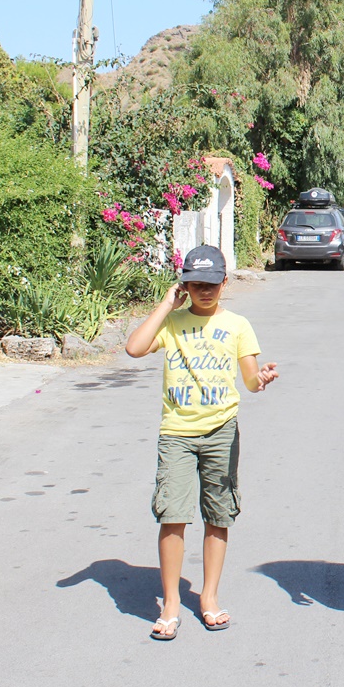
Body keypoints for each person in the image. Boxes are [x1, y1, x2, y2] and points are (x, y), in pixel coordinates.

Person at [125, 245, 278, 640]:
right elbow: (134, 348)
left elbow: (248, 381)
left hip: (221, 432)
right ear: (184, 285)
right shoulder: (172, 323)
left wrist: (259, 380)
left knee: (218, 515)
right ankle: (172, 601)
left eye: (211, 284)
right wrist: (165, 304)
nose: (204, 291)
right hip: (176, 433)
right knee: (172, 515)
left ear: (224, 282)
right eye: (195, 284)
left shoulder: (239, 325)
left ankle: (208, 596)